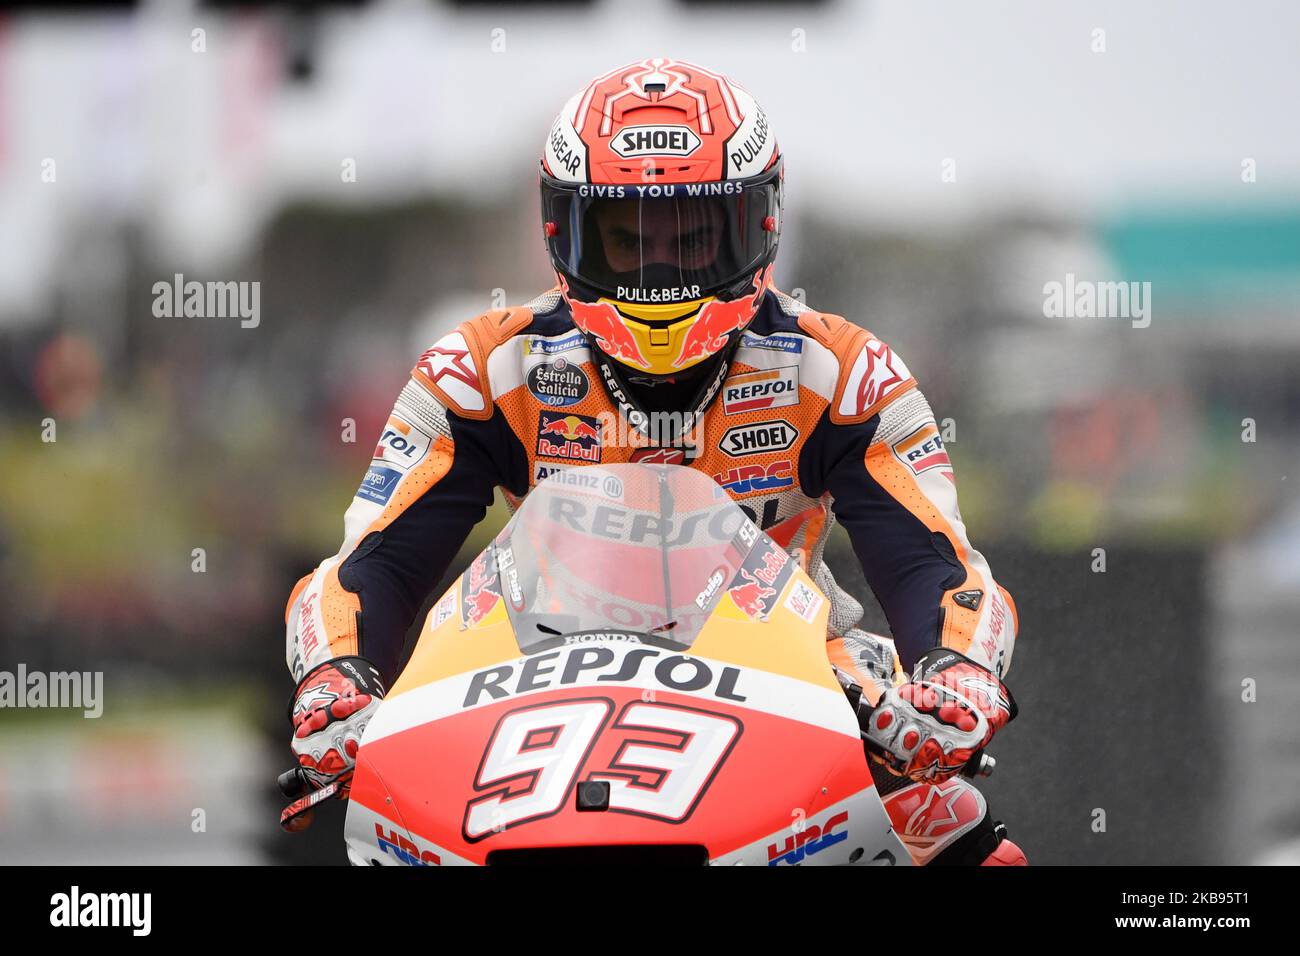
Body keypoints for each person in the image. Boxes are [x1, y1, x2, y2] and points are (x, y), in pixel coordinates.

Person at [283, 58, 1025, 865]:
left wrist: (954, 672)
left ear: (759, 223)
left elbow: (938, 565)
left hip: (801, 689)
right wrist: (338, 678)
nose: (659, 270)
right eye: (627, 235)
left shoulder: (844, 370)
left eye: (694, 234)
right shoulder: (480, 369)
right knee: (383, 829)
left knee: (958, 830)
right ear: (563, 231)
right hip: (532, 690)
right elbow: (370, 565)